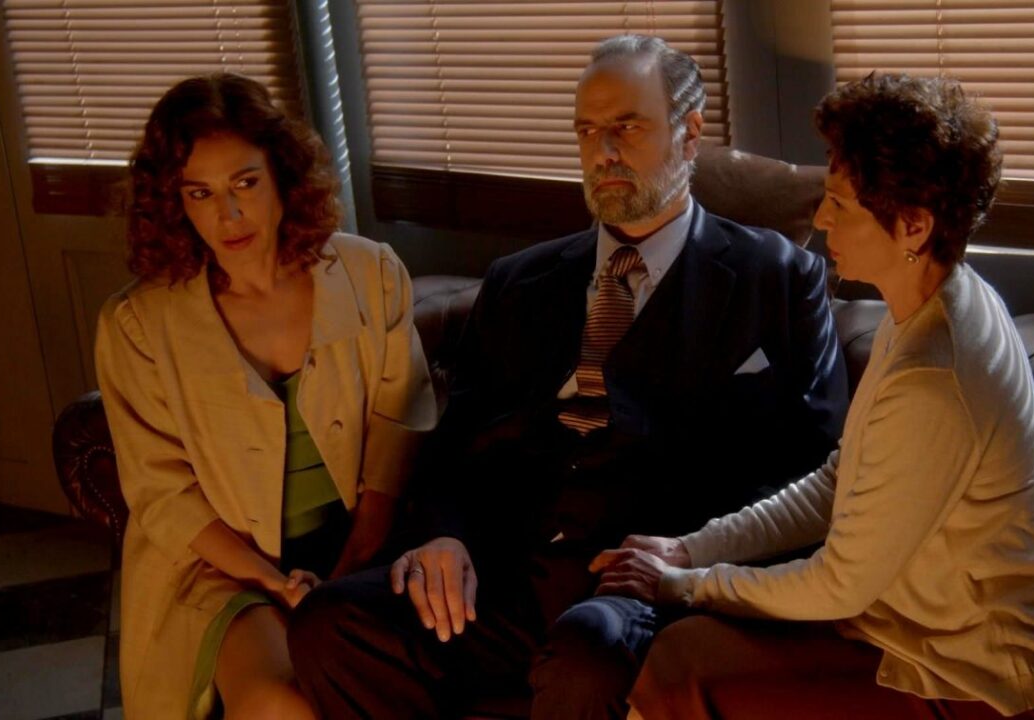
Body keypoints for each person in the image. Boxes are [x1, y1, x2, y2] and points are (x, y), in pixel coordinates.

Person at [289, 34, 848, 719]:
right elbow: (454, 443)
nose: (602, 152)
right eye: (587, 131)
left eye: (627, 128)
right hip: (502, 574)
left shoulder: (777, 277)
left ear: (689, 133)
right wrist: (444, 535)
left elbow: (811, 465)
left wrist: (691, 560)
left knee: (589, 656)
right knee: (330, 622)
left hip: (645, 580)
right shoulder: (519, 280)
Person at [598, 73, 1034, 719]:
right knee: (686, 644)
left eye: (840, 205)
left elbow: (839, 584)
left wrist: (683, 584)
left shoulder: (934, 379)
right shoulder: (932, 304)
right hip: (907, 630)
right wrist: (692, 548)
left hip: (968, 674)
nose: (821, 219)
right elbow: (839, 481)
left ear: (913, 227)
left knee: (682, 665)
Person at [94, 73, 436, 720]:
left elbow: (403, 425)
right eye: (200, 193)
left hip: (364, 543)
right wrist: (276, 584)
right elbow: (163, 494)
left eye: (245, 183)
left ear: (281, 172)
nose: (227, 215)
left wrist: (351, 566)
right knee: (278, 704)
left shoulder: (371, 275)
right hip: (221, 569)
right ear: (174, 201)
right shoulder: (137, 326)